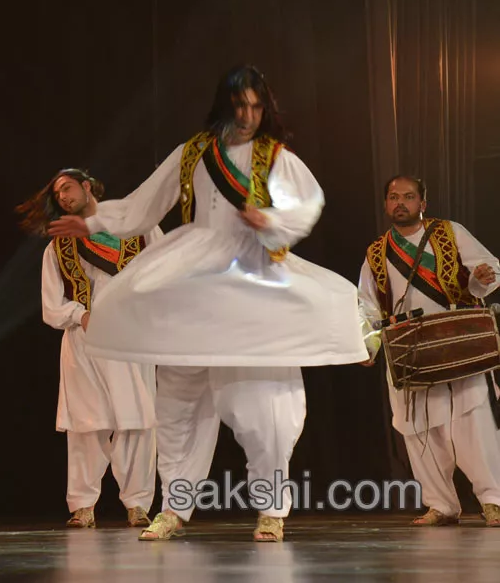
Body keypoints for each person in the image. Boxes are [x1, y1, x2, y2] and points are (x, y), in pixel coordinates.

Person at [48, 65, 367, 542]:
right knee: (179, 401)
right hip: (194, 276)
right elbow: (141, 207)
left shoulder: (275, 157)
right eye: (241, 105)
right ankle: (175, 508)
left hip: (254, 278)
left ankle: (271, 509)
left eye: (258, 106)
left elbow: (308, 205)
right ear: (224, 104)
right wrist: (93, 223)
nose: (249, 115)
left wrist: (273, 220)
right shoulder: (191, 153)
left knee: (264, 405)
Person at [18, 168, 159, 528]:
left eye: (66, 188)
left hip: (131, 338)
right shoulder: (59, 246)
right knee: (86, 424)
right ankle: (82, 505)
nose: (63, 197)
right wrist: (80, 316)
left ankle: (138, 503)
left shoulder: (137, 227)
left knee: (138, 421)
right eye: (57, 195)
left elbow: (165, 273)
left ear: (86, 185)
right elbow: (52, 306)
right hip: (84, 342)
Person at [358, 175, 500, 527]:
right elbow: (366, 306)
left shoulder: (449, 232)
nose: (400, 202)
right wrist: (367, 344)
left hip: (456, 340)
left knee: (473, 422)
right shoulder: (376, 252)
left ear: (423, 203)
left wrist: (481, 277)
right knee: (418, 428)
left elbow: (489, 269)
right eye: (393, 196)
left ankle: (494, 500)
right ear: (386, 203)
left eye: (408, 196)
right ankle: (442, 504)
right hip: (409, 347)